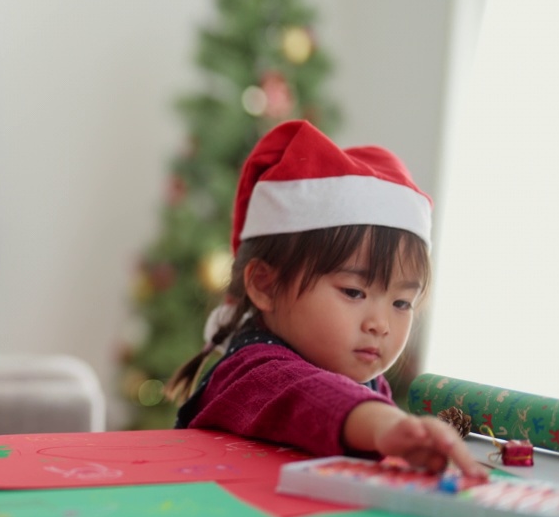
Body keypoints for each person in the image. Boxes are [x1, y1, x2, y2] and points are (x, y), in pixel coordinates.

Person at [169, 120, 484, 478]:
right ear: (265, 285)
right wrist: (385, 424)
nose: (379, 325)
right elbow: (304, 394)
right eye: (353, 292)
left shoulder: (361, 377)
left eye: (401, 303)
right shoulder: (251, 372)